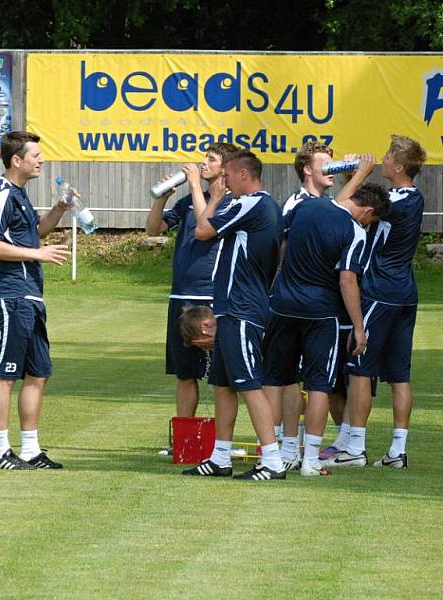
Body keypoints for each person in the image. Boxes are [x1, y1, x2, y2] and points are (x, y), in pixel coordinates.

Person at [263, 156, 389, 476]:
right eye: (370, 221)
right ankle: (310, 461)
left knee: (278, 380)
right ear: (368, 212)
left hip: (283, 305)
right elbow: (348, 280)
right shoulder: (355, 231)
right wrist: (359, 328)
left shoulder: (306, 207)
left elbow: (281, 246)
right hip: (322, 314)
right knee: (319, 385)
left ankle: (280, 451)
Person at [181, 150, 285, 481]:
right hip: (230, 307)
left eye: (227, 175)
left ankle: (272, 459)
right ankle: (220, 457)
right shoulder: (256, 206)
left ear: (243, 175)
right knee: (223, 384)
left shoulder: (252, 203)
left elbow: (202, 230)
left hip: (242, 308)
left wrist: (212, 196)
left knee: (249, 385)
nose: (224, 181)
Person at [326, 135, 427, 469]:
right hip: (405, 293)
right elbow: (366, 203)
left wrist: (358, 174)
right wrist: (355, 177)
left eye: (386, 157)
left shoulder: (393, 199)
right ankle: (398, 450)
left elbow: (341, 209)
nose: (382, 160)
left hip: (379, 292)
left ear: (398, 166)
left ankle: (355, 448)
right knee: (400, 375)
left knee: (360, 371)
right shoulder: (414, 197)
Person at [0, 131, 70, 470]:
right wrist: (38, 254)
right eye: (35, 155)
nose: (41, 160)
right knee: (4, 374)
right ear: (16, 160)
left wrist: (59, 208)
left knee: (38, 373)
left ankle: (30, 449)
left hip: (31, 296)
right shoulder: (0, 194)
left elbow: (35, 231)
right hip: (9, 296)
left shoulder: (20, 195)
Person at [145, 143, 236, 456]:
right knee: (185, 372)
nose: (203, 163)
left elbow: (204, 227)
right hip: (180, 295)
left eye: (211, 160)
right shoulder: (188, 201)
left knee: (221, 374)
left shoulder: (231, 201)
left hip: (211, 296)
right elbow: (153, 229)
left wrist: (197, 184)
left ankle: (222, 442)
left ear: (227, 168)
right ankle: (183, 440)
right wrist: (162, 199)